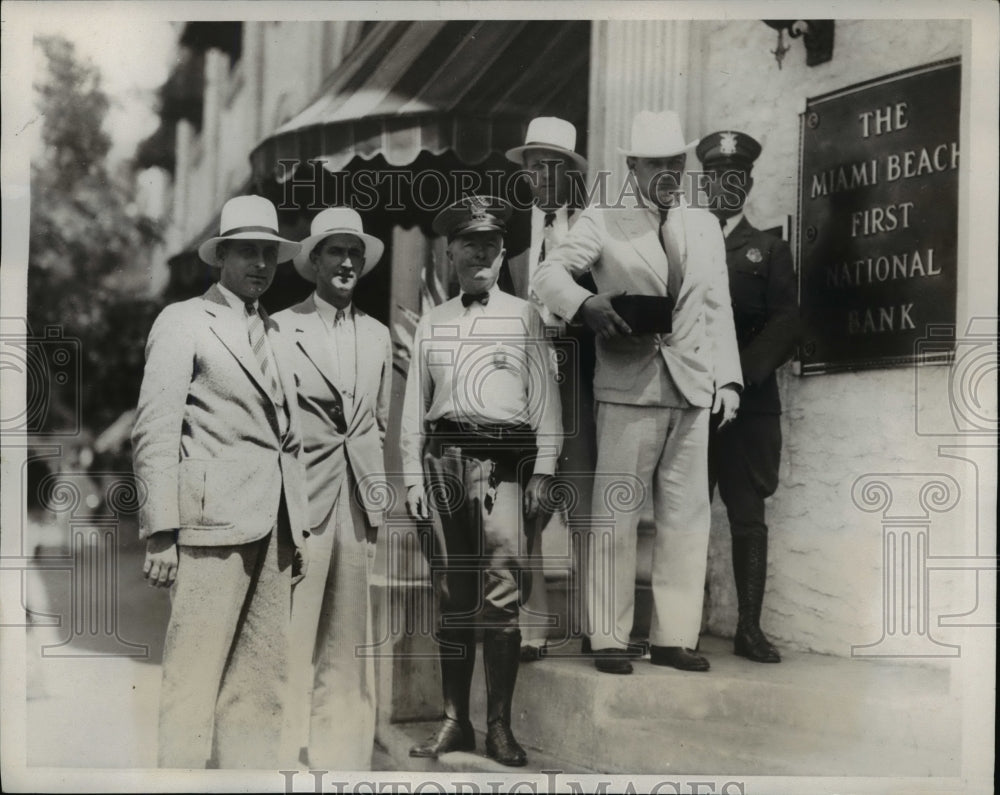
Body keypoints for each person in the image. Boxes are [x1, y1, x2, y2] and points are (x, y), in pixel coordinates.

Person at [531, 110, 743, 675]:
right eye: (657, 164)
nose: (670, 172)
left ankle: (674, 637)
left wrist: (728, 380)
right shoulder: (604, 217)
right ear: (633, 166)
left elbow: (716, 306)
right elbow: (548, 276)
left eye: (677, 162)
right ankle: (607, 636)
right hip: (628, 386)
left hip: (692, 387)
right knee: (616, 516)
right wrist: (585, 305)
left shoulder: (702, 224)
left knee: (686, 516)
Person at [132, 194, 308, 768]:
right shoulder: (183, 320)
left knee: (260, 690)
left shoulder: (278, 332)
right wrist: (161, 528)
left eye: (269, 254)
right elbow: (154, 428)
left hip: (277, 527)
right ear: (221, 257)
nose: (260, 264)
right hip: (210, 528)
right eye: (248, 252)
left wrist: (299, 526)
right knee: (192, 682)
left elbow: (289, 436)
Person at [401, 196, 561, 766]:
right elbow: (411, 413)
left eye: (491, 244)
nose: (481, 253)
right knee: (452, 595)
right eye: (470, 243)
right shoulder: (433, 322)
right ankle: (454, 721)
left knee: (501, 598)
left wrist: (544, 471)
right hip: (444, 465)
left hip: (506, 471)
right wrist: (413, 482)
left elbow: (548, 405)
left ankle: (497, 726)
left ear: (502, 253)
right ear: (450, 253)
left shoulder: (525, 317)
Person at [274, 207, 393, 767]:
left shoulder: (377, 334)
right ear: (314, 262)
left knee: (349, 635)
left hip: (359, 498)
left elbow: (379, 422)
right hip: (303, 495)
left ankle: (339, 758)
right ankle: (279, 753)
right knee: (290, 632)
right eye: (335, 252)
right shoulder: (278, 327)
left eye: (355, 253)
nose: (347, 262)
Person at [696, 130, 800, 663]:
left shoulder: (770, 249)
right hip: (693, 402)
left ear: (749, 183)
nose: (725, 187)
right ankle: (679, 627)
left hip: (749, 405)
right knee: (686, 512)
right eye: (715, 177)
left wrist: (740, 377)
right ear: (704, 181)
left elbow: (786, 323)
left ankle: (749, 628)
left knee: (747, 515)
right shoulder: (685, 245)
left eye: (735, 178)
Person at [504, 116, 597, 662]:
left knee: (584, 504)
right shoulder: (514, 235)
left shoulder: (592, 229)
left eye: (551, 166)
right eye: (533, 166)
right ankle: (531, 628)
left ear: (570, 173)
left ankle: (594, 625)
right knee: (527, 507)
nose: (540, 176)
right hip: (527, 384)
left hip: (580, 378)